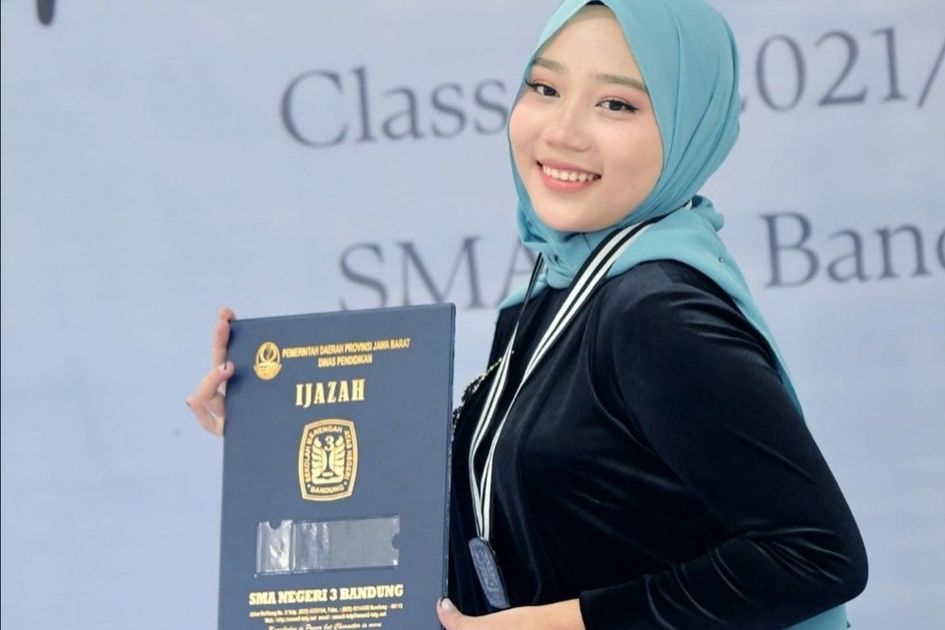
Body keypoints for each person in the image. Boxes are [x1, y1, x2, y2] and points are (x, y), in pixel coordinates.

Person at [188, 1, 868, 628]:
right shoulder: (553, 289)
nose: (562, 131)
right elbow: (531, 519)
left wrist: (565, 623)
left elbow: (815, 554)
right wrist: (274, 431)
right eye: (544, 88)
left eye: (615, 104)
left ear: (690, 123)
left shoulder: (655, 312)